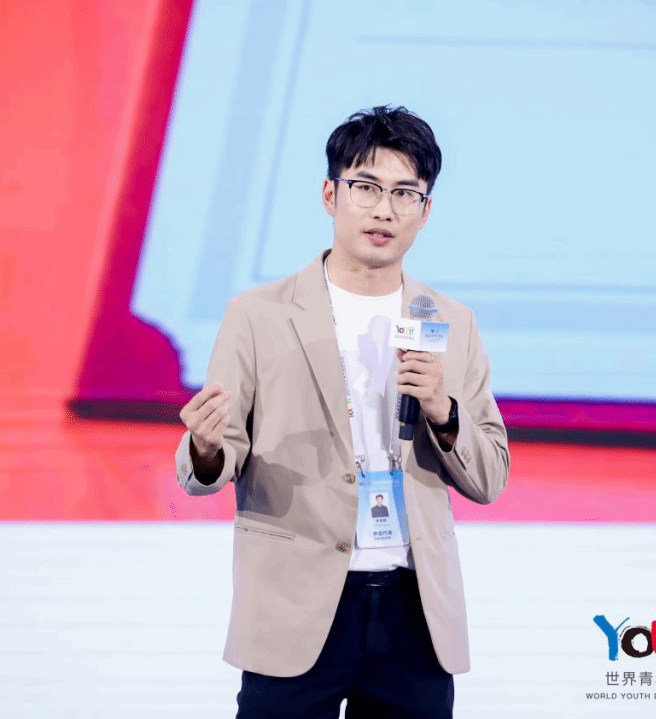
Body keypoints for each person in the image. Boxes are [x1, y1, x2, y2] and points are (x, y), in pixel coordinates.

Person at [177, 105, 510, 718]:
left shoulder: (452, 322)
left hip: (415, 614)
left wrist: (443, 410)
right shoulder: (258, 314)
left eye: (405, 193)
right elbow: (212, 460)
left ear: (425, 211)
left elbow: (490, 477)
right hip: (294, 606)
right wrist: (204, 446)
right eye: (366, 187)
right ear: (331, 195)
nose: (384, 210)